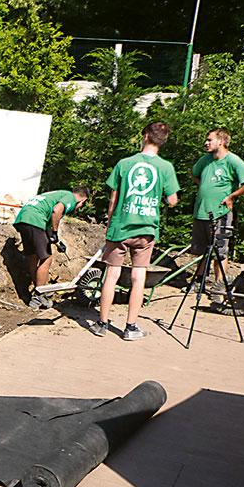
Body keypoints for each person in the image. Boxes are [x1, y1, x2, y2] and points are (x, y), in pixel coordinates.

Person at [90, 121, 180, 340]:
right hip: (146, 229)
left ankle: (102, 324)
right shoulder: (166, 167)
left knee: (111, 275)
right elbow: (172, 201)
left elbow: (113, 200)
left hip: (121, 227)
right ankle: (130, 327)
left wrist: (110, 224)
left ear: (146, 136)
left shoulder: (124, 163)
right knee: (139, 278)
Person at [190, 128, 244, 284]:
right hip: (201, 211)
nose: (206, 143)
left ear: (221, 141)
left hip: (219, 213)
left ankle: (219, 285)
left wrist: (232, 196)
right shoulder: (206, 159)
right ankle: (199, 281)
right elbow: (194, 173)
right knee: (203, 250)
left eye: (210, 140)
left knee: (219, 251)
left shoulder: (232, 160)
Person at [13, 185, 91, 308]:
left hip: (24, 219)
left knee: (34, 256)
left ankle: (38, 288)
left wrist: (57, 241)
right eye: (82, 205)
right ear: (83, 200)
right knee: (47, 258)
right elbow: (56, 210)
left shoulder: (58, 193)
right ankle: (39, 295)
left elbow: (48, 223)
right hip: (36, 219)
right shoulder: (70, 198)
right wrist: (54, 233)